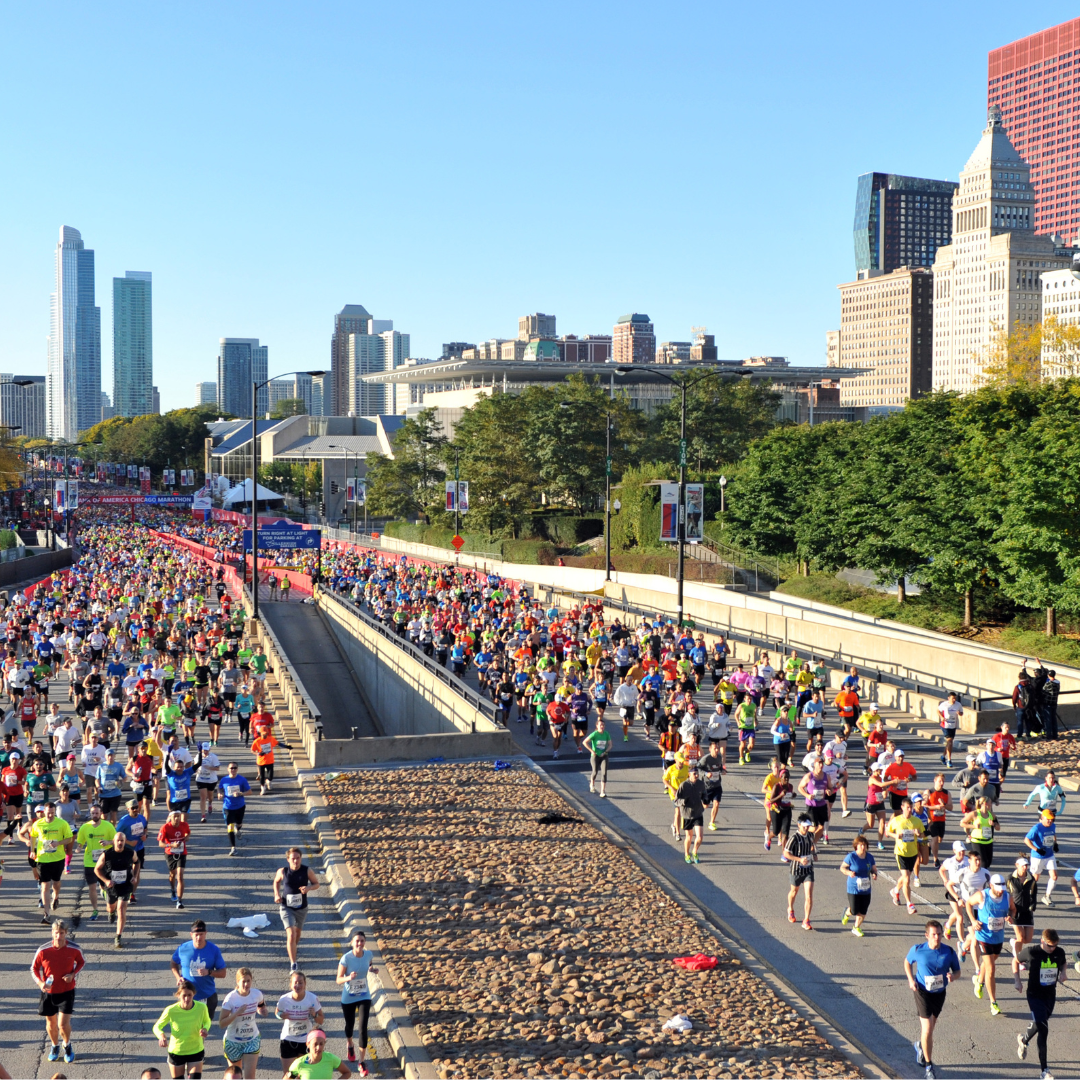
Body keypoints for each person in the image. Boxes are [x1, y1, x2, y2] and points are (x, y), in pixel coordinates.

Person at [904, 920, 960, 1080]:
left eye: (939, 934)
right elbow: (907, 962)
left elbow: (958, 971)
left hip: (939, 993)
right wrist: (910, 980)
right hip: (922, 992)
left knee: (930, 1029)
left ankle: (920, 1046)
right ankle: (929, 1067)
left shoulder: (948, 952)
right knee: (927, 1028)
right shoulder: (918, 950)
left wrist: (953, 977)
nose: (937, 937)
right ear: (927, 935)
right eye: (934, 934)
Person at [1015, 927, 1067, 1080]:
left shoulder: (1059, 952)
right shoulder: (1032, 952)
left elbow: (1063, 963)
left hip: (1050, 995)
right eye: (1050, 945)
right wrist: (1017, 980)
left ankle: (1023, 1040)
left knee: (1040, 1023)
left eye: (1055, 945)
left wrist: (1064, 972)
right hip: (1034, 995)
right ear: (1042, 941)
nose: (1053, 949)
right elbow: (1015, 961)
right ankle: (1044, 1070)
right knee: (1043, 1028)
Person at [31, 921, 85, 1065]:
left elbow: (81, 962)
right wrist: (41, 983)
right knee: (51, 1023)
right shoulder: (43, 950)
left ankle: (67, 1045)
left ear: (66, 933)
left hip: (67, 991)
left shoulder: (74, 949)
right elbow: (33, 969)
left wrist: (72, 974)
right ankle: (54, 1046)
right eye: (56, 933)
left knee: (62, 1025)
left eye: (61, 933)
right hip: (49, 992)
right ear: (52, 933)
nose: (58, 936)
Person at [965, 873, 1015, 1016]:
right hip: (984, 936)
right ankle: (993, 1003)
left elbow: (1013, 909)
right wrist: (973, 921)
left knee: (990, 962)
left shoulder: (1007, 897)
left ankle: (979, 982)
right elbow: (968, 903)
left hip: (998, 937)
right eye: (998, 888)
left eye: (1002, 888)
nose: (1001, 891)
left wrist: (1010, 917)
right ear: (991, 886)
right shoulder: (982, 896)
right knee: (991, 969)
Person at [274, 847, 321, 972]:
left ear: (301, 858)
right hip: (286, 907)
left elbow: (317, 884)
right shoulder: (283, 871)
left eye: (298, 858)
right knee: (291, 934)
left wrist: (309, 888)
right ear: (288, 859)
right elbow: (276, 881)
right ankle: (293, 964)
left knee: (297, 934)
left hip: (301, 908)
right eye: (293, 859)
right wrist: (277, 894)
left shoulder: (307, 871)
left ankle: (293, 948)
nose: (296, 861)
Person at [337, 931, 379, 1072]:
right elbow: (338, 979)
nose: (359, 943)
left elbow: (368, 964)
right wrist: (348, 978)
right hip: (348, 997)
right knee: (350, 1025)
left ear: (365, 942)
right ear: (352, 943)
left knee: (362, 1028)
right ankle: (350, 1044)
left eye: (362, 940)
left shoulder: (368, 954)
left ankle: (361, 1062)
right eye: (357, 941)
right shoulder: (346, 958)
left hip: (364, 995)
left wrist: (372, 969)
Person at [153, 981, 211, 1080]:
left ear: (194, 994)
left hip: (196, 1049)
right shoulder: (171, 1010)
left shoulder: (201, 1007)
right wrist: (161, 1036)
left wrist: (205, 1028)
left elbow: (207, 1021)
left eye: (190, 995)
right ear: (178, 995)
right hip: (177, 1052)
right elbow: (157, 1027)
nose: (187, 998)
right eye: (184, 995)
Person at [171, 920, 227, 1022]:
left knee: (204, 1027)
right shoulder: (183, 948)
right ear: (191, 935)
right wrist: (178, 977)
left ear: (206, 933)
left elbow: (223, 973)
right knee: (187, 1025)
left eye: (201, 934)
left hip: (207, 996)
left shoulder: (213, 950)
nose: (199, 938)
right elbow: (173, 963)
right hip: (187, 996)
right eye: (196, 935)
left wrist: (209, 972)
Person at [28, 801, 73, 921]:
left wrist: (59, 843)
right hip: (42, 858)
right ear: (44, 812)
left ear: (55, 812)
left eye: (52, 813)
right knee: (45, 885)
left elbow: (69, 838)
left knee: (56, 882)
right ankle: (46, 913)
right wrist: (32, 850)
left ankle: (56, 896)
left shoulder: (62, 824)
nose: (50, 815)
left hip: (57, 858)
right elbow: (32, 836)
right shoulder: (38, 824)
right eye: (48, 813)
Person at [218, 967, 267, 1079]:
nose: (246, 984)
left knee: (250, 1077)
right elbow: (221, 1023)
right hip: (233, 1041)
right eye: (243, 981)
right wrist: (237, 1013)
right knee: (236, 1076)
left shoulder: (257, 994)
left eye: (248, 981)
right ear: (238, 982)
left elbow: (261, 1005)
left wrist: (263, 1010)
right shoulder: (231, 998)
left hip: (251, 1039)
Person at [276, 970, 325, 1076]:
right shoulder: (284, 999)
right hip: (288, 1039)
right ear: (291, 984)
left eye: (300, 982)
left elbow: (321, 1020)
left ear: (305, 984)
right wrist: (281, 1015)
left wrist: (314, 1015)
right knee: (289, 1075)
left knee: (305, 1074)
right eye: (295, 982)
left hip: (306, 1041)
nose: (298, 985)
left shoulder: (312, 998)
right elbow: (277, 1012)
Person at [95, 831, 136, 948]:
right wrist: (106, 881)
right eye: (118, 840)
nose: (120, 843)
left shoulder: (130, 852)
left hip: (126, 884)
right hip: (112, 886)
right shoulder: (107, 854)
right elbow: (97, 869)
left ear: (124, 841)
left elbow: (137, 862)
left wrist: (135, 875)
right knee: (111, 906)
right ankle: (111, 912)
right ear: (114, 841)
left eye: (122, 841)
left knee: (121, 908)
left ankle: (118, 936)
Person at [74, 804, 115, 921]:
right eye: (92, 813)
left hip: (105, 862)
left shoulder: (108, 826)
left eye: (97, 813)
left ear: (101, 813)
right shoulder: (85, 827)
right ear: (90, 814)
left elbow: (115, 841)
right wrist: (79, 848)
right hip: (90, 862)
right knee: (92, 887)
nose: (95, 815)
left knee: (106, 885)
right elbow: (80, 842)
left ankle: (110, 905)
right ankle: (95, 910)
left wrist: (108, 842)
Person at [886, 797, 925, 915]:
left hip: (912, 853)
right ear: (902, 808)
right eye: (907, 807)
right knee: (907, 878)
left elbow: (923, 834)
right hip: (901, 852)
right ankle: (909, 904)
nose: (909, 810)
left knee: (905, 877)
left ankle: (895, 890)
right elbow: (888, 832)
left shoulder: (916, 821)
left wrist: (919, 834)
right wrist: (895, 836)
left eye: (911, 807)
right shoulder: (897, 820)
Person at [1008, 857, 1038, 991]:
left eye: (1026, 865)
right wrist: (1007, 913)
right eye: (1023, 865)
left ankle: (1014, 943)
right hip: (1015, 911)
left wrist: (1033, 906)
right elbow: (1006, 895)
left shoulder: (1031, 879)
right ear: (1017, 865)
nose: (1025, 868)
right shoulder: (1010, 879)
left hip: (1027, 912)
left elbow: (1034, 894)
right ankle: (1018, 960)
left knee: (1027, 939)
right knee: (1020, 938)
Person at [783, 814, 817, 930]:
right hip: (796, 869)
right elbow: (786, 853)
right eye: (804, 827)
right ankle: (790, 909)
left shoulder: (810, 836)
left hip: (808, 870)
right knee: (794, 891)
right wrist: (799, 859)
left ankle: (806, 920)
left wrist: (814, 854)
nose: (806, 829)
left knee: (809, 896)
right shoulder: (794, 838)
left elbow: (812, 846)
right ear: (799, 825)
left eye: (808, 826)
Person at [840, 833, 877, 937]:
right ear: (856, 846)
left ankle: (856, 927)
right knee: (854, 909)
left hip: (866, 888)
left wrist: (874, 874)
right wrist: (849, 873)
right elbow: (842, 868)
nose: (863, 847)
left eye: (864, 845)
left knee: (864, 909)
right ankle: (847, 913)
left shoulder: (869, 857)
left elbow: (874, 869)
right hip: (854, 888)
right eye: (861, 845)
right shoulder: (851, 856)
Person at [1025, 808, 1059, 907]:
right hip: (1038, 857)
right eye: (1048, 819)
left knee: (1054, 876)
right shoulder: (1036, 828)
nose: (1050, 821)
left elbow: (1054, 834)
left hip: (1049, 855)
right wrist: (1037, 849)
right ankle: (1029, 895)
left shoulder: (1052, 825)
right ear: (1042, 818)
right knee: (1035, 878)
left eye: (1051, 819)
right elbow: (1026, 840)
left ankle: (1047, 896)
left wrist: (1055, 843)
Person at [159, 809, 192, 909]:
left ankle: (179, 900)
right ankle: (173, 890)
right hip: (170, 853)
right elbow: (160, 844)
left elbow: (188, 833)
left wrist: (187, 837)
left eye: (178, 816)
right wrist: (171, 845)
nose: (177, 818)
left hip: (182, 852)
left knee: (180, 876)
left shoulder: (184, 825)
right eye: (175, 816)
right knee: (172, 874)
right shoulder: (165, 827)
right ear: (170, 818)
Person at [285, 1029, 350, 1079]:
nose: (318, 1047)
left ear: (324, 1043)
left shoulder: (331, 1058)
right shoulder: (299, 1063)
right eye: (315, 1044)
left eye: (321, 1044)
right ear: (308, 1044)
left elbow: (347, 1073)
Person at [675, 764, 707, 865]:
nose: (696, 775)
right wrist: (683, 802)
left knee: (700, 837)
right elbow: (676, 800)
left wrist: (706, 800)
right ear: (689, 774)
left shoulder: (701, 784)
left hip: (698, 813)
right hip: (687, 814)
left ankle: (695, 851)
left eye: (697, 773)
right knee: (689, 837)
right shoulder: (684, 785)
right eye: (694, 773)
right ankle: (686, 854)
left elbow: (704, 794)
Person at [218, 763, 251, 855]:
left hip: (240, 806)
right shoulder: (224, 780)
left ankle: (238, 829)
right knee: (230, 827)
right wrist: (219, 794)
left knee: (239, 823)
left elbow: (250, 791)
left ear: (237, 769)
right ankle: (233, 848)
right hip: (228, 807)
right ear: (228, 769)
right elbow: (220, 788)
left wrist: (241, 794)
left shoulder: (242, 779)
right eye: (231, 768)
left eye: (234, 768)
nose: (233, 770)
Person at [583, 716, 611, 798]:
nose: (602, 726)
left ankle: (602, 791)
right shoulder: (594, 734)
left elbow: (610, 745)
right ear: (597, 726)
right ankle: (592, 784)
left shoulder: (606, 734)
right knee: (595, 771)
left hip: (604, 756)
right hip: (595, 756)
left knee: (604, 773)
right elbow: (585, 742)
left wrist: (605, 752)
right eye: (600, 725)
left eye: (603, 725)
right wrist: (592, 751)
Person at [937, 693, 962, 768]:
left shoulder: (958, 704)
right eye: (952, 698)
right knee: (950, 741)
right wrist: (941, 717)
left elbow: (962, 713)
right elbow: (938, 710)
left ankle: (943, 756)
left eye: (955, 698)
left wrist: (959, 713)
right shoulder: (944, 704)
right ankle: (949, 760)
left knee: (949, 743)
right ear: (948, 698)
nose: (954, 700)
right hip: (945, 725)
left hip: (953, 725)